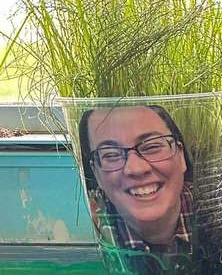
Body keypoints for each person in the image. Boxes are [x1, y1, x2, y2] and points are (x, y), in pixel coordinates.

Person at [78, 105, 193, 254]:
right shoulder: (87, 229)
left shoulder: (215, 214)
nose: (136, 169)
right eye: (111, 155)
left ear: (181, 156)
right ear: (96, 173)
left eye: (152, 147)